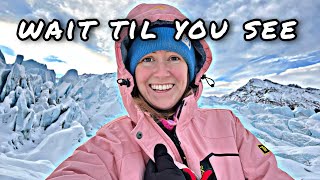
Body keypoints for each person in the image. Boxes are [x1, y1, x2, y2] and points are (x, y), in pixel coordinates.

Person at [47, 3, 293, 180]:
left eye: (175, 57)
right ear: (130, 73)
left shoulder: (228, 126)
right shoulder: (110, 143)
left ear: (192, 69)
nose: (162, 72)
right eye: (147, 59)